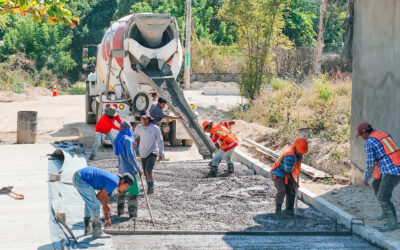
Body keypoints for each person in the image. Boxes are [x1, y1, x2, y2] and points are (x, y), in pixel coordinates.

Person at [357, 122, 400, 232]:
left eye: (361, 135)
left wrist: (367, 178)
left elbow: (370, 162)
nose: (361, 138)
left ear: (365, 133)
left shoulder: (369, 142)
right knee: (376, 184)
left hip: (392, 171)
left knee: (383, 197)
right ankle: (385, 213)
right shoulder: (383, 134)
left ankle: (392, 224)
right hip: (395, 166)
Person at [72, 167, 134, 238]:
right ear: (122, 181)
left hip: (78, 177)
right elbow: (99, 197)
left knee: (90, 203)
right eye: (127, 186)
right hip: (81, 179)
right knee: (95, 203)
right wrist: (104, 205)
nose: (126, 189)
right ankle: (97, 231)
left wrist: (107, 218)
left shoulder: (113, 181)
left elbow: (105, 200)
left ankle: (88, 229)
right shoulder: (114, 182)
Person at [270, 138, 308, 215]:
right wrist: (294, 182)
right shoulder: (289, 156)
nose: (302, 154)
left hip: (287, 173)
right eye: (301, 152)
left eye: (302, 152)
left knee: (291, 190)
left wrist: (293, 183)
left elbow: (291, 169)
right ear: (296, 148)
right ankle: (278, 210)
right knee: (282, 190)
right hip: (278, 172)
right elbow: (287, 171)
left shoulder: (297, 152)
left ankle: (289, 210)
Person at [113, 121, 142, 218]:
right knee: (133, 193)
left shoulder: (117, 139)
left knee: (121, 192)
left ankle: (119, 212)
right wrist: (138, 168)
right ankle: (132, 214)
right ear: (128, 129)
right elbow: (130, 156)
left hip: (121, 171)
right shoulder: (128, 140)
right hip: (130, 171)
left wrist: (132, 148)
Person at [134, 110, 164, 194]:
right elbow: (134, 136)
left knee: (148, 171)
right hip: (143, 153)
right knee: (145, 173)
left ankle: (151, 188)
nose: (144, 120)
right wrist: (133, 141)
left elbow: (160, 141)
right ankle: (149, 184)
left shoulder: (154, 128)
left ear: (149, 118)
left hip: (153, 152)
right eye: (142, 118)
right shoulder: (139, 127)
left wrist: (161, 154)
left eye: (145, 118)